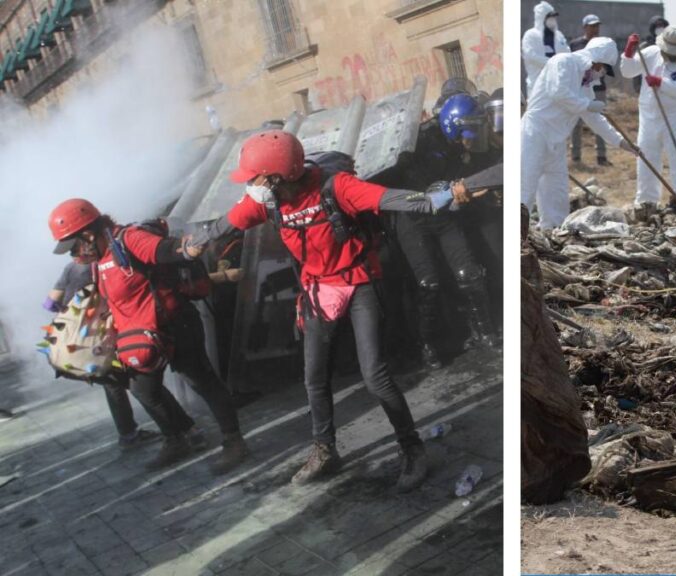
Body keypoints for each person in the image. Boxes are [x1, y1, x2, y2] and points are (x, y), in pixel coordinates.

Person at [185, 130, 459, 488]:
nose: (249, 186)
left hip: (360, 281)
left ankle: (412, 449)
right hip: (318, 290)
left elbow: (390, 199)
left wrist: (442, 197)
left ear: (277, 175)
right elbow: (228, 223)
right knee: (314, 378)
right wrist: (194, 245)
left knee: (375, 375)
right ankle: (325, 450)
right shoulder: (266, 201)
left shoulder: (336, 187)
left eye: (254, 179)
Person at [47, 200, 249, 473]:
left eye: (73, 247)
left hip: (176, 324)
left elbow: (162, 250)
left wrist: (187, 248)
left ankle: (234, 442)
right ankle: (177, 438)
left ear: (88, 235)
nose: (74, 256)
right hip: (138, 336)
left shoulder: (129, 239)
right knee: (143, 389)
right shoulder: (100, 261)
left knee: (201, 381)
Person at [392, 93, 501, 369]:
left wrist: (467, 193)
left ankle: (486, 333)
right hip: (414, 219)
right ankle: (426, 343)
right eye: (470, 131)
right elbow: (409, 187)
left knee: (470, 274)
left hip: (443, 217)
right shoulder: (419, 144)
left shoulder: (458, 147)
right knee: (428, 283)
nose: (473, 137)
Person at [522, 37, 638, 230]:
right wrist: (587, 105)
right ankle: (517, 238)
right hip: (535, 133)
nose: (601, 74)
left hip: (557, 141)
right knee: (525, 188)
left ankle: (553, 232)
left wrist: (621, 142)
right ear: (596, 60)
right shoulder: (563, 62)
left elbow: (595, 119)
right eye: (602, 68)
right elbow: (558, 92)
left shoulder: (586, 86)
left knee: (556, 193)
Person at [44, 261, 160, 450]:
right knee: (139, 383)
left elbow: (49, 303)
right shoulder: (102, 265)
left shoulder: (71, 267)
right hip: (102, 339)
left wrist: (74, 316)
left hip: (76, 348)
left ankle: (128, 434)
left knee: (111, 383)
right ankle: (176, 429)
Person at [620, 25, 676, 210]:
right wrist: (628, 53)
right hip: (649, 114)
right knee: (646, 156)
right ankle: (647, 201)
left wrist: (661, 83)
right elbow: (628, 71)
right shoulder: (651, 53)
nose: (671, 57)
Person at [570, 14, 614, 167]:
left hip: (598, 89)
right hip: (579, 89)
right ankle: (576, 157)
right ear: (585, 27)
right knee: (576, 123)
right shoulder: (575, 44)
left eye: (597, 26)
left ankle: (601, 156)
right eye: (592, 26)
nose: (595, 29)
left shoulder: (602, 46)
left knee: (600, 120)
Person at [521, 1, 570, 97]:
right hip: (537, 85)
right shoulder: (531, 35)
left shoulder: (558, 35)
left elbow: (567, 53)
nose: (553, 20)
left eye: (554, 17)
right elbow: (531, 56)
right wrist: (554, 63)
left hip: (558, 85)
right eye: (550, 17)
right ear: (542, 18)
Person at [632, 15, 669, 94]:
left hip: (665, 86)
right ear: (653, 28)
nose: (660, 28)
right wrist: (637, 86)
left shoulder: (670, 46)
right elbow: (636, 67)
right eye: (658, 26)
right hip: (648, 86)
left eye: (662, 25)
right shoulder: (645, 47)